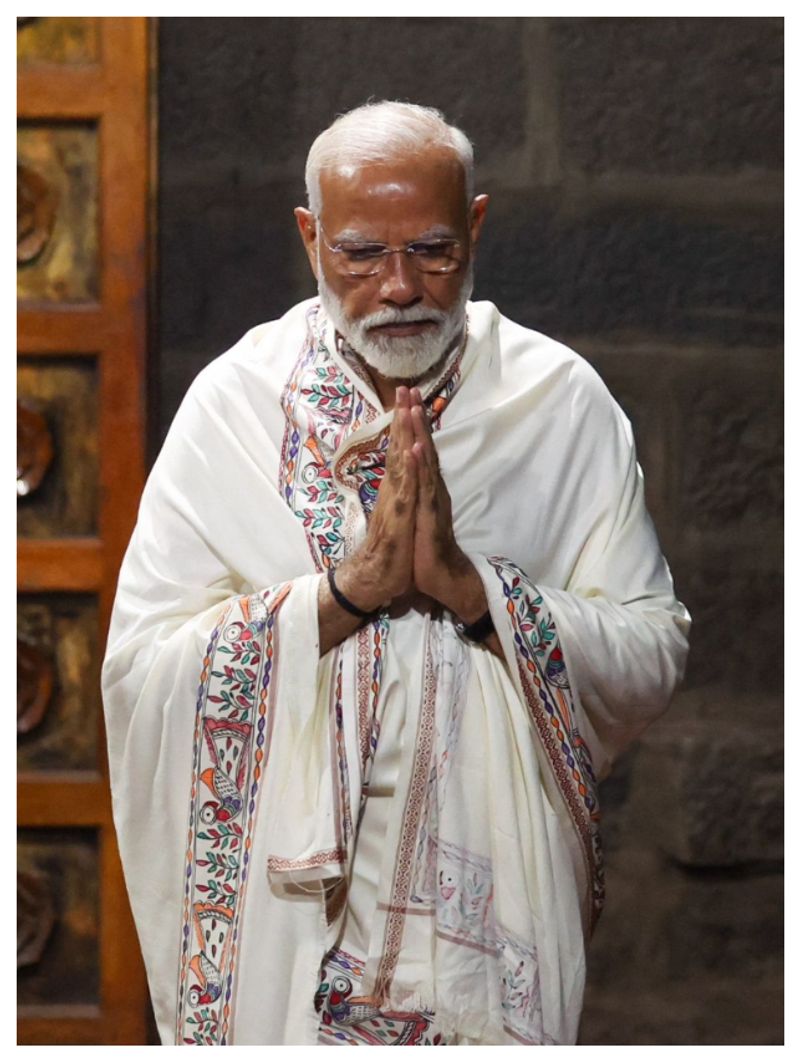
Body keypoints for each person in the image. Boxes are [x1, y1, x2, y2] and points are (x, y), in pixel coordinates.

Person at [102, 100, 690, 1046]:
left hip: (491, 931)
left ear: (478, 227)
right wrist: (342, 597)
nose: (401, 287)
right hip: (289, 937)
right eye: (361, 255)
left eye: (433, 250)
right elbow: (140, 671)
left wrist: (475, 590)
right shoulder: (234, 409)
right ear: (309, 237)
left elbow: (653, 646)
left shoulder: (557, 403)